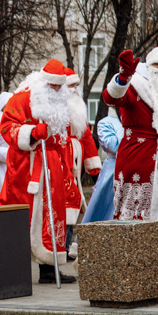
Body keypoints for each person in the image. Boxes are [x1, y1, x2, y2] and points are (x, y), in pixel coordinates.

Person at [0, 59, 76, 284]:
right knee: (25, 215)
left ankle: (49, 269)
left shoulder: (60, 104)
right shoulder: (22, 97)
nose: (56, 90)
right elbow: (6, 126)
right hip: (26, 164)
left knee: (52, 215)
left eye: (59, 86)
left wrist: (64, 165)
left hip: (51, 164)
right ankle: (14, 267)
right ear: (43, 82)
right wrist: (31, 132)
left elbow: (62, 137)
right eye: (52, 86)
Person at [103, 48, 158, 271]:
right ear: (148, 66)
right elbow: (111, 97)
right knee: (134, 217)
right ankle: (125, 266)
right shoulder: (134, 85)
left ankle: (146, 266)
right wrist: (123, 77)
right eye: (157, 65)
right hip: (137, 159)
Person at [63, 68, 101, 259]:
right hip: (60, 160)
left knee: (73, 202)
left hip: (75, 162)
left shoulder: (78, 108)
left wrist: (94, 170)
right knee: (67, 203)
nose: (75, 89)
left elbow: (86, 137)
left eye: (76, 85)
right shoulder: (57, 106)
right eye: (71, 85)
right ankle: (62, 246)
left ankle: (67, 245)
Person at [82, 107, 123, 223]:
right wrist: (126, 130)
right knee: (105, 206)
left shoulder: (135, 121)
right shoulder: (105, 122)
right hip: (112, 170)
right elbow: (113, 146)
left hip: (132, 167)